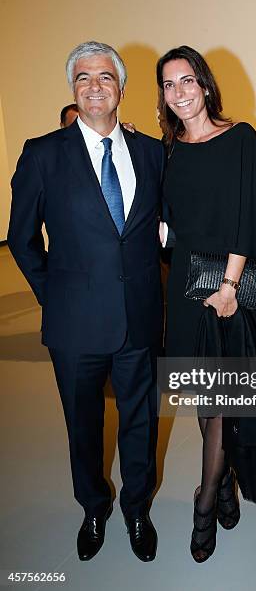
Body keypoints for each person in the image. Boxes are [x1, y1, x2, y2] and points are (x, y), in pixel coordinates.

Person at [8, 41, 165, 562]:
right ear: (73, 88)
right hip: (73, 324)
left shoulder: (150, 152)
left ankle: (137, 510)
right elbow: (23, 239)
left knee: (140, 421)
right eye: (83, 78)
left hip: (140, 317)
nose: (94, 86)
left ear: (121, 87)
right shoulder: (42, 153)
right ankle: (93, 507)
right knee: (83, 425)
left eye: (104, 77)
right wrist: (54, 296)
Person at [156, 45, 256, 562]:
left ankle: (204, 504)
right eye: (168, 84)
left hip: (226, 286)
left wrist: (228, 285)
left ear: (204, 84)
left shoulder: (240, 137)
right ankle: (222, 486)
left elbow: (250, 216)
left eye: (186, 81)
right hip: (184, 287)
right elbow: (168, 216)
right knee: (204, 398)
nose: (178, 92)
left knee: (222, 400)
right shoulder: (169, 149)